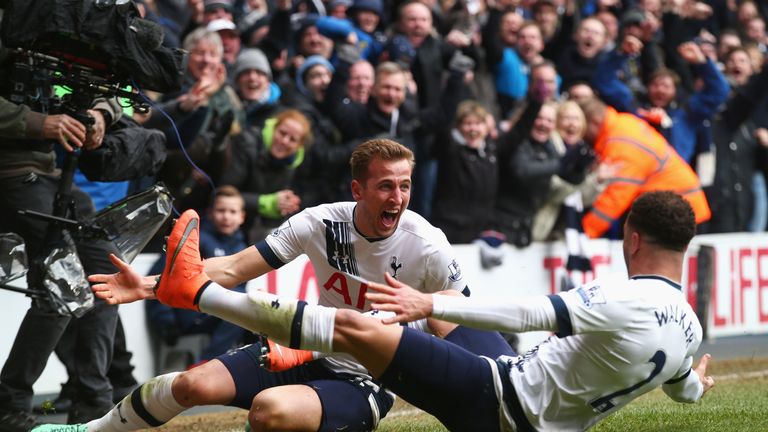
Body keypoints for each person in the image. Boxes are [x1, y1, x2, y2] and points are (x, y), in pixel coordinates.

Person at [67, 191, 716, 432]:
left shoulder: (625, 295)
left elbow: (526, 313)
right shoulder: (687, 330)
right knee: (378, 327)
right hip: (534, 411)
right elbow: (686, 393)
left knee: (357, 326)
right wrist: (696, 382)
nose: (397, 199)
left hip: (499, 401)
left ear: (632, 236)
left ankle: (196, 295)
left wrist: (426, 301)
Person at [36, 139, 512, 432]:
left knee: (269, 413)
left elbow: (457, 313)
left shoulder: (427, 245)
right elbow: (234, 269)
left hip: (365, 379)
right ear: (357, 190)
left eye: (405, 185)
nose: (399, 198)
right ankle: (91, 428)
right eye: (387, 186)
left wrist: (496, 377)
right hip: (305, 350)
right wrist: (151, 284)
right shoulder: (317, 224)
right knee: (191, 384)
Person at [0, 92, 123, 430]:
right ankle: (9, 403)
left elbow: (105, 88)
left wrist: (101, 114)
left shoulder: (51, 42)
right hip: (11, 175)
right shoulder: (13, 39)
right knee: (62, 286)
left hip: (50, 176)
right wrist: (41, 123)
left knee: (109, 278)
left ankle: (93, 405)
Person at [578, 97, 711, 238]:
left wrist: (584, 233)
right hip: (680, 209)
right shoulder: (624, 123)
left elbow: (615, 198)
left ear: (594, 122)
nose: (582, 135)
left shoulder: (621, 142)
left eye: (582, 128)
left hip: (677, 216)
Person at [145, 186, 249, 363]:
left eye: (232, 211)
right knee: (241, 309)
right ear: (210, 212)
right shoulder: (194, 240)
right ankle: (205, 366)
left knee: (258, 312)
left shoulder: (243, 248)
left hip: (220, 316)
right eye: (221, 210)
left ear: (242, 217)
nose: (226, 216)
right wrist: (166, 322)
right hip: (190, 313)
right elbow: (160, 277)